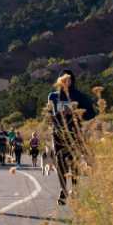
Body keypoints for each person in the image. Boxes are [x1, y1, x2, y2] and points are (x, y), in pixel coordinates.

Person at [45, 68, 96, 205]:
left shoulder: (79, 96)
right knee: (60, 163)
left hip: (74, 135)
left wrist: (75, 112)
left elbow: (91, 113)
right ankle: (63, 190)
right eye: (62, 78)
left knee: (74, 165)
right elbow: (48, 113)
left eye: (67, 78)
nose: (64, 80)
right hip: (58, 135)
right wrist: (48, 117)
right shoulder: (53, 96)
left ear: (72, 80)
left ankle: (75, 190)